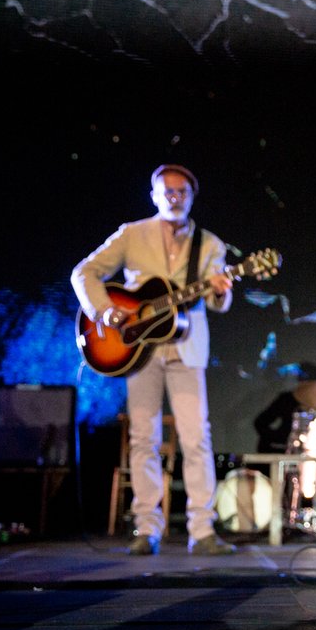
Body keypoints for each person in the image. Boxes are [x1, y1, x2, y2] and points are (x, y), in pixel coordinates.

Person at [71, 163, 237, 556]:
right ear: (154, 195)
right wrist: (105, 311)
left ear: (192, 197)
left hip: (186, 345)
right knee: (143, 437)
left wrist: (220, 290)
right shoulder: (132, 234)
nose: (174, 198)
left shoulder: (210, 244)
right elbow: (84, 273)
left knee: (196, 438)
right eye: (168, 191)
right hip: (136, 346)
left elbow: (217, 301)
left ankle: (203, 530)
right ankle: (146, 528)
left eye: (182, 192)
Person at [253, 361, 316, 454]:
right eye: (303, 376)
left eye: (309, 377)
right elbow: (261, 422)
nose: (305, 381)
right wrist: (280, 439)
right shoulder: (287, 399)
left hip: (310, 450)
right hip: (282, 451)